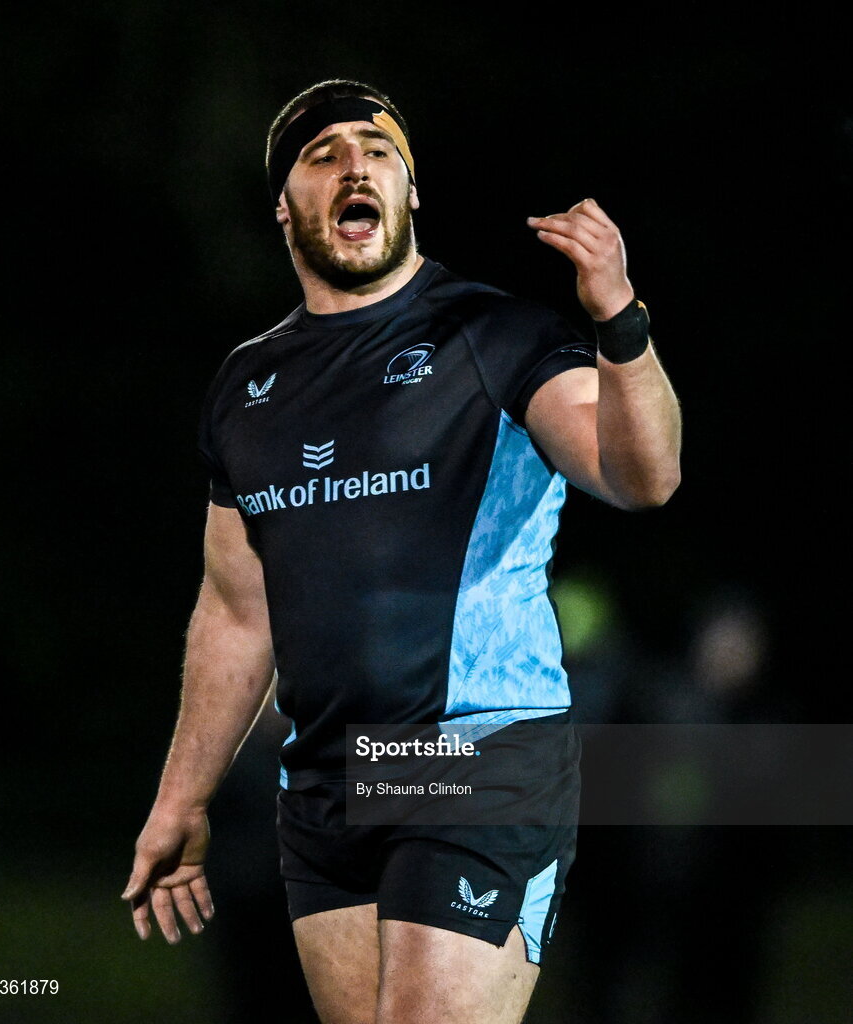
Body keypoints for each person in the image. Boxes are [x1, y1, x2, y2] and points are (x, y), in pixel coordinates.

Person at [122, 79, 681, 1024]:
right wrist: (181, 800)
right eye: (323, 153)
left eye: (378, 152)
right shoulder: (245, 386)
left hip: (479, 752)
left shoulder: (494, 335)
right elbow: (235, 609)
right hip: (330, 778)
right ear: (286, 204)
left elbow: (643, 476)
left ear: (410, 193)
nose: (355, 166)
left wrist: (619, 323)